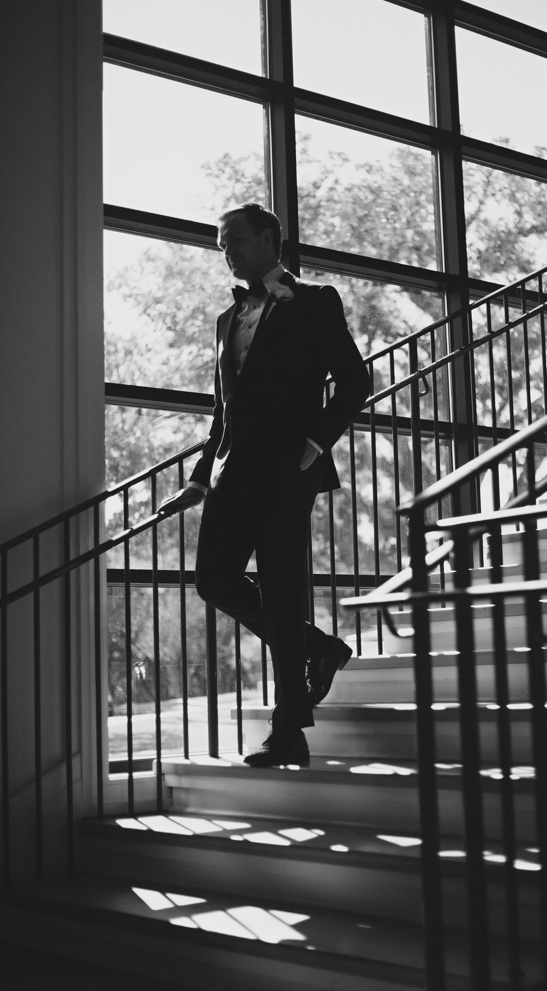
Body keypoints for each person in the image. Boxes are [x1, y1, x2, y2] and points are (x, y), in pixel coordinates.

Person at [157, 203, 370, 768]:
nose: (230, 253)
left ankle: (289, 731)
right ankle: (319, 648)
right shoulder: (227, 321)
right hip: (232, 473)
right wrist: (200, 479)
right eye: (223, 245)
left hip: (287, 472)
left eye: (239, 241)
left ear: (272, 238)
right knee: (213, 580)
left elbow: (355, 382)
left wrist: (315, 445)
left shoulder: (315, 302)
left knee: (279, 592)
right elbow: (222, 415)